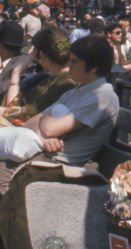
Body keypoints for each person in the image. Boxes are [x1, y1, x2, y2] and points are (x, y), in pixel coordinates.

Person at [0, 34, 119, 167]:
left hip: (57, 165)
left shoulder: (102, 97)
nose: (69, 65)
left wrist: (46, 118)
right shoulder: (75, 92)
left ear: (93, 67)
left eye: (74, 61)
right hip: (42, 157)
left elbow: (50, 129)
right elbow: (30, 123)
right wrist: (47, 128)